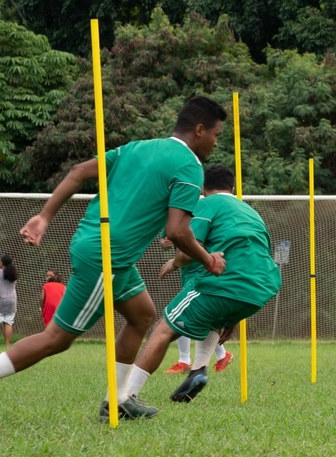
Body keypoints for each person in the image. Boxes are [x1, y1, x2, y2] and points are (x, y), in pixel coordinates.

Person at [3, 96, 227, 422]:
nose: (216, 142)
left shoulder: (138, 147)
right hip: (105, 256)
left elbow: (79, 172)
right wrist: (208, 261)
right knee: (57, 339)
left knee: (141, 314)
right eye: (216, 134)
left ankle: (118, 400)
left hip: (102, 248)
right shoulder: (190, 167)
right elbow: (177, 231)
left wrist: (44, 216)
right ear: (199, 129)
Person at [127, 164, 282, 407]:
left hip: (225, 282)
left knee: (163, 330)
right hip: (263, 287)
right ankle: (198, 371)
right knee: (212, 319)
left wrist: (175, 263)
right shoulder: (251, 212)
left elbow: (188, 251)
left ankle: (126, 395)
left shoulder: (205, 205)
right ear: (232, 187)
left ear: (202, 187)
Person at [157, 237, 232, 375]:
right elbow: (165, 240)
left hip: (206, 271)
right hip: (187, 273)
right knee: (194, 317)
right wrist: (164, 243)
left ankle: (185, 361)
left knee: (182, 315)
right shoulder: (172, 217)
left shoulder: (204, 218)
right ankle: (222, 355)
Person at [0, 255, 16, 347]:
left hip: (1, 300)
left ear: (2, 262)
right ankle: (7, 343)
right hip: (12, 301)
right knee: (9, 322)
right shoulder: (13, 273)